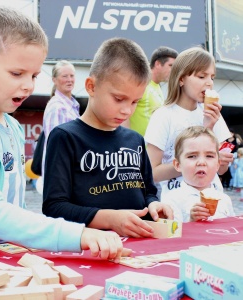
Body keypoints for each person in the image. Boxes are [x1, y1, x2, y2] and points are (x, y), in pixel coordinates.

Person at [0, 6, 128, 262]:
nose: (29, 85)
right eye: (17, 73)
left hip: (1, 258)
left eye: (34, 75)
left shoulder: (13, 127)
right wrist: (76, 234)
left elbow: (14, 211)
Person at [43, 37, 173, 238]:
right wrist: (110, 219)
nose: (127, 110)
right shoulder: (65, 137)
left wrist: (154, 205)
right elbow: (54, 207)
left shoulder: (135, 140)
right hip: (90, 250)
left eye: (135, 102)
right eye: (119, 99)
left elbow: (148, 191)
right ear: (91, 86)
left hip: (138, 249)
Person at [144, 46, 233, 200]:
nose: (209, 83)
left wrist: (221, 161)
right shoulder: (163, 116)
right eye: (201, 76)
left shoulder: (213, 114)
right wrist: (192, 163)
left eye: (212, 77)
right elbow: (152, 173)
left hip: (213, 198)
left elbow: (221, 171)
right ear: (181, 79)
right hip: (178, 204)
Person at [162, 126, 234, 222]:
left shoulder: (225, 199)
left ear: (218, 164)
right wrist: (191, 221)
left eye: (209, 156)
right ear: (178, 164)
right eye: (192, 156)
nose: (201, 162)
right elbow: (171, 234)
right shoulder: (171, 200)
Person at [38, 60, 80, 192]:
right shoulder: (57, 107)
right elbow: (56, 147)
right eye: (64, 76)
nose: (69, 80)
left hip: (70, 172)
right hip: (61, 174)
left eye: (72, 76)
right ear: (54, 80)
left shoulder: (72, 105)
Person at [129, 46, 178, 136]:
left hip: (151, 148)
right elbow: (124, 115)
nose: (173, 70)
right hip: (136, 147)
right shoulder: (141, 83)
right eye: (171, 65)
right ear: (158, 64)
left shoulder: (157, 86)